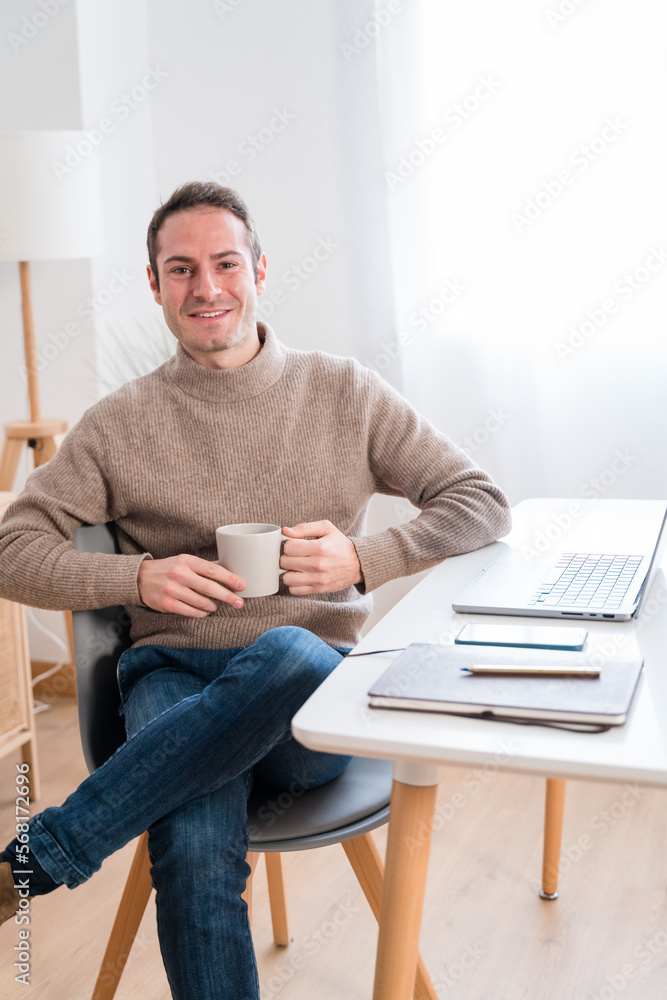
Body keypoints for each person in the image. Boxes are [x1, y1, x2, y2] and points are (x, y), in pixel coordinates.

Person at [0, 181, 511, 999]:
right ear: (154, 283)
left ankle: (50, 851)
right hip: (170, 678)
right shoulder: (118, 423)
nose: (206, 288)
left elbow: (480, 501)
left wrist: (364, 558)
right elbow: (11, 550)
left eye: (224, 263)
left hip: (308, 701)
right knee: (195, 855)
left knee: (287, 650)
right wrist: (136, 576)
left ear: (259, 271)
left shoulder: (343, 391)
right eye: (180, 269)